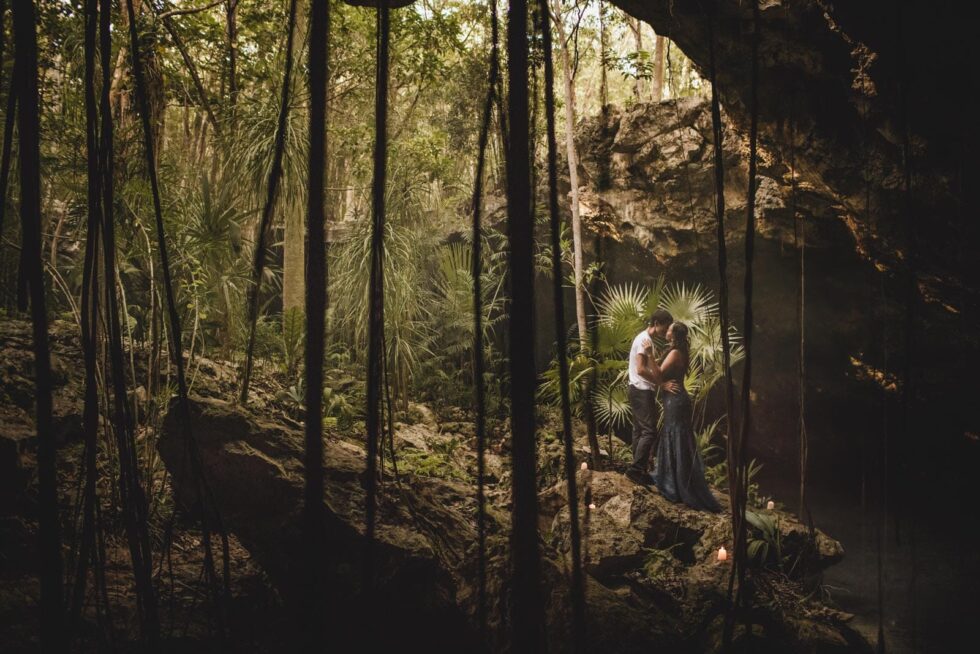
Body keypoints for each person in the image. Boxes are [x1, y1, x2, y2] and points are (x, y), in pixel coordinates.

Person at [647, 322, 722, 512]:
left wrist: (649, 356)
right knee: (674, 435)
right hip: (675, 400)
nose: (667, 330)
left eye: (670, 329)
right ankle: (673, 479)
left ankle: (676, 485)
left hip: (676, 400)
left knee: (676, 437)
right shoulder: (675, 350)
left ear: (675, 334)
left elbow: (658, 374)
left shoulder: (675, 353)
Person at [626, 309, 678, 485]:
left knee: (639, 431)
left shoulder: (647, 341)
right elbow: (640, 369)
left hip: (638, 389)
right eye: (665, 327)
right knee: (649, 431)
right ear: (656, 324)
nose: (666, 331)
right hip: (640, 389)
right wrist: (661, 384)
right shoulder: (643, 340)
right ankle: (636, 469)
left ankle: (637, 469)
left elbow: (647, 369)